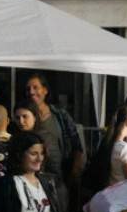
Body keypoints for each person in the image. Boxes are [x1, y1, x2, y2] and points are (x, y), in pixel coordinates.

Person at [24, 73, 84, 203]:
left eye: (35, 87)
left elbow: (76, 143)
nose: (31, 92)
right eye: (28, 89)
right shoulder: (24, 117)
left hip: (60, 176)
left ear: (45, 90)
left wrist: (75, 170)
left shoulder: (61, 115)